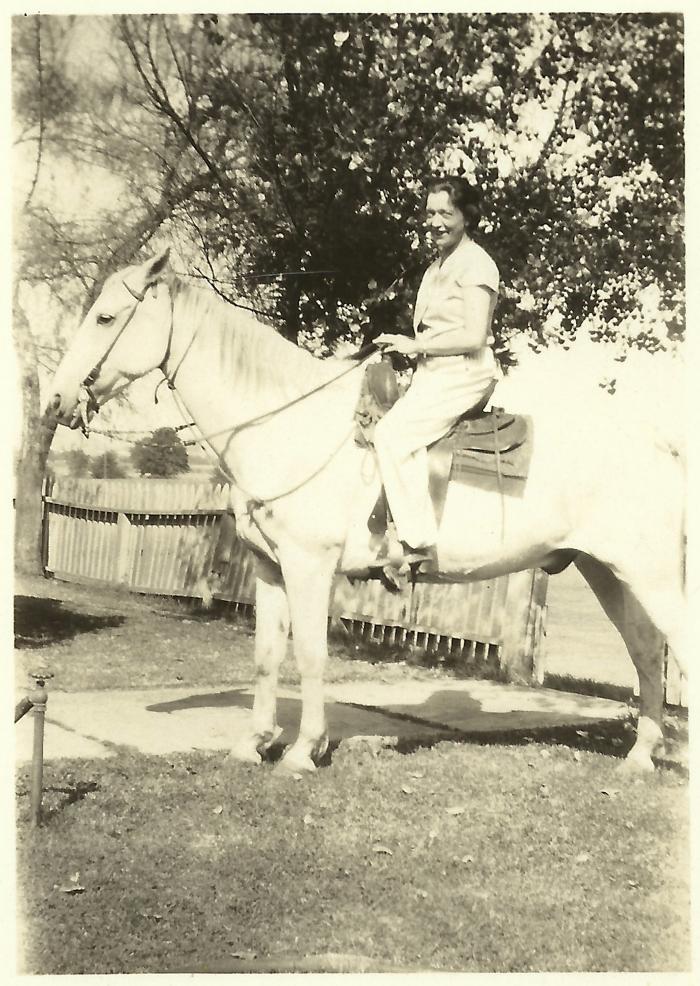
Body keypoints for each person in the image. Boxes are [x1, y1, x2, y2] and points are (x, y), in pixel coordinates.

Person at [373, 175, 500, 566]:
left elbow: (474, 335)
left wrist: (418, 346)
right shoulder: (435, 268)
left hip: (466, 372)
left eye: (446, 212)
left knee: (391, 435)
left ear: (466, 217)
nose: (435, 222)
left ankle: (418, 542)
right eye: (430, 213)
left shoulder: (477, 263)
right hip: (435, 374)